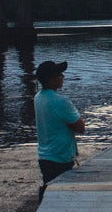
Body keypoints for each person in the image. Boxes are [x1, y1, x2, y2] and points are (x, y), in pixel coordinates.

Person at [34, 60, 85, 202]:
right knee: (61, 195)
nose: (63, 76)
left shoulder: (38, 98)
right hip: (61, 156)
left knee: (48, 187)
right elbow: (81, 128)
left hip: (44, 155)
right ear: (51, 79)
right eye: (59, 74)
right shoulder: (62, 101)